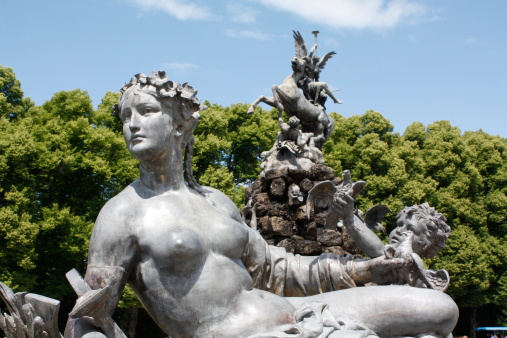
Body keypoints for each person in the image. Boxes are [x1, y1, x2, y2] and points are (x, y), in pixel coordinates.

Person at [64, 71, 458, 338]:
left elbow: (276, 269)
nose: (132, 123)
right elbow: (87, 317)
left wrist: (366, 268)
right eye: (126, 115)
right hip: (240, 334)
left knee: (439, 308)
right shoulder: (121, 213)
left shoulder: (215, 200)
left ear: (180, 123)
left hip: (288, 312)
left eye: (146, 111)